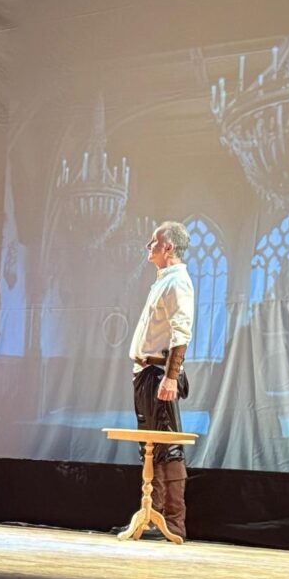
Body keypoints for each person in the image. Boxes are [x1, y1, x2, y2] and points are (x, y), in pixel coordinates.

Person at [119, 221, 194, 539]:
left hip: (160, 374)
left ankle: (173, 521)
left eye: (153, 241)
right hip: (146, 373)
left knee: (168, 446)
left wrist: (171, 377)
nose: (148, 246)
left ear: (168, 247)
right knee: (150, 447)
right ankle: (152, 514)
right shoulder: (164, 280)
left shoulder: (178, 281)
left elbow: (181, 332)